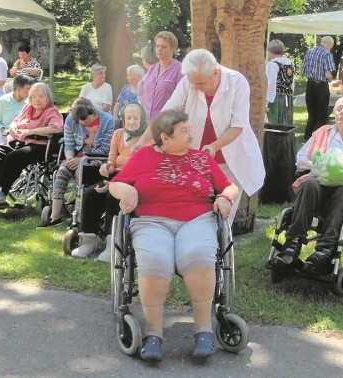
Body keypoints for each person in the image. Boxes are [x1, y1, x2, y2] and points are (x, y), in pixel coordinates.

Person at [109, 109, 239, 361]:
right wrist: (128, 191)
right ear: (164, 138)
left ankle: (204, 331)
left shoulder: (201, 158)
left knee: (198, 255)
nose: (191, 134)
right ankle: (153, 333)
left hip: (197, 219)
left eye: (189, 129)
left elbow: (229, 186)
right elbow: (116, 182)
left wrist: (224, 197)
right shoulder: (144, 156)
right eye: (184, 131)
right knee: (155, 260)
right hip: (151, 222)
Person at [270, 96, 343, 275]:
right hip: (319, 183)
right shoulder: (323, 132)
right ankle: (292, 244)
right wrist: (323, 166)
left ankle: (326, 248)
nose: (342, 112)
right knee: (308, 184)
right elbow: (301, 159)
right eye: (339, 108)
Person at [155, 48, 265, 221]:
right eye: (193, 83)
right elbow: (166, 114)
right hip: (195, 159)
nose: (196, 88)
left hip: (230, 160)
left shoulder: (237, 82)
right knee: (196, 212)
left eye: (201, 84)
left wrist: (214, 146)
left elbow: (238, 126)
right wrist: (148, 140)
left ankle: (222, 245)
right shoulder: (188, 83)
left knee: (223, 214)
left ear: (215, 72)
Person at [0, 83, 63, 209]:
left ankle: (1, 193)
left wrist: (31, 131)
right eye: (34, 97)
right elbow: (15, 122)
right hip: (19, 141)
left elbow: (55, 128)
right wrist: (12, 129)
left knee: (15, 156)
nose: (37, 99)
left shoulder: (52, 110)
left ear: (48, 97)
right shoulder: (28, 108)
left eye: (41, 96)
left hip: (40, 145)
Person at [41, 98, 114, 242]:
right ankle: (55, 216)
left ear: (93, 113)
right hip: (74, 158)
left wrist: (80, 161)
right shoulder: (70, 120)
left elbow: (105, 149)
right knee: (61, 172)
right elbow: (68, 145)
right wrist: (70, 160)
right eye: (79, 122)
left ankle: (80, 216)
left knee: (80, 174)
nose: (82, 124)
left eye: (86, 122)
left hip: (97, 160)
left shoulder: (107, 120)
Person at [90, 102, 151, 263]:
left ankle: (112, 244)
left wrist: (115, 183)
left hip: (134, 178)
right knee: (91, 192)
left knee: (112, 196)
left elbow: (143, 166)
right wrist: (107, 167)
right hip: (116, 174)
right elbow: (112, 158)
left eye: (136, 118)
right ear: (123, 120)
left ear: (142, 120)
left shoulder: (146, 137)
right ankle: (88, 238)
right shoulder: (118, 134)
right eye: (128, 118)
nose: (131, 121)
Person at [0, 75, 33, 168]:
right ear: (19, 89)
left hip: (23, 135)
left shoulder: (30, 102)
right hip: (5, 133)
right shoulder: (3, 100)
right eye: (28, 89)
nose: (31, 92)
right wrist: (3, 130)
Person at [141, 31, 183, 119]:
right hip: (147, 122)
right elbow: (144, 96)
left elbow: (182, 99)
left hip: (167, 122)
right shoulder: (151, 69)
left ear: (173, 49)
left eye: (163, 46)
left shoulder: (180, 70)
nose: (159, 49)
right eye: (157, 46)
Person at [301, 36, 336, 140]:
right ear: (329, 44)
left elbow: (303, 71)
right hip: (321, 86)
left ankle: (307, 136)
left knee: (311, 112)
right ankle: (318, 138)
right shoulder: (326, 54)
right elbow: (328, 74)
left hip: (310, 85)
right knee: (321, 113)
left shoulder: (309, 52)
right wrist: (330, 79)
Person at [265, 39, 294, 125]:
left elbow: (270, 83)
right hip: (288, 97)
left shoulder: (273, 65)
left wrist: (267, 100)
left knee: (274, 122)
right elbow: (291, 82)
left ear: (271, 52)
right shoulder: (289, 63)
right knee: (286, 121)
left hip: (276, 98)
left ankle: (274, 138)